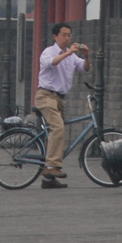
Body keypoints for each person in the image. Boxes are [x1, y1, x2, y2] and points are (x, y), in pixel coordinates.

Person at [34, 23, 91, 188]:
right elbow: (52, 63)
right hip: (46, 96)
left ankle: (48, 180)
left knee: (58, 133)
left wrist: (87, 56)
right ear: (55, 36)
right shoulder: (49, 52)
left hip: (60, 99)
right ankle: (51, 167)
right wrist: (69, 53)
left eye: (69, 35)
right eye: (64, 35)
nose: (67, 38)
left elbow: (85, 68)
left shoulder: (72, 56)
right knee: (58, 128)